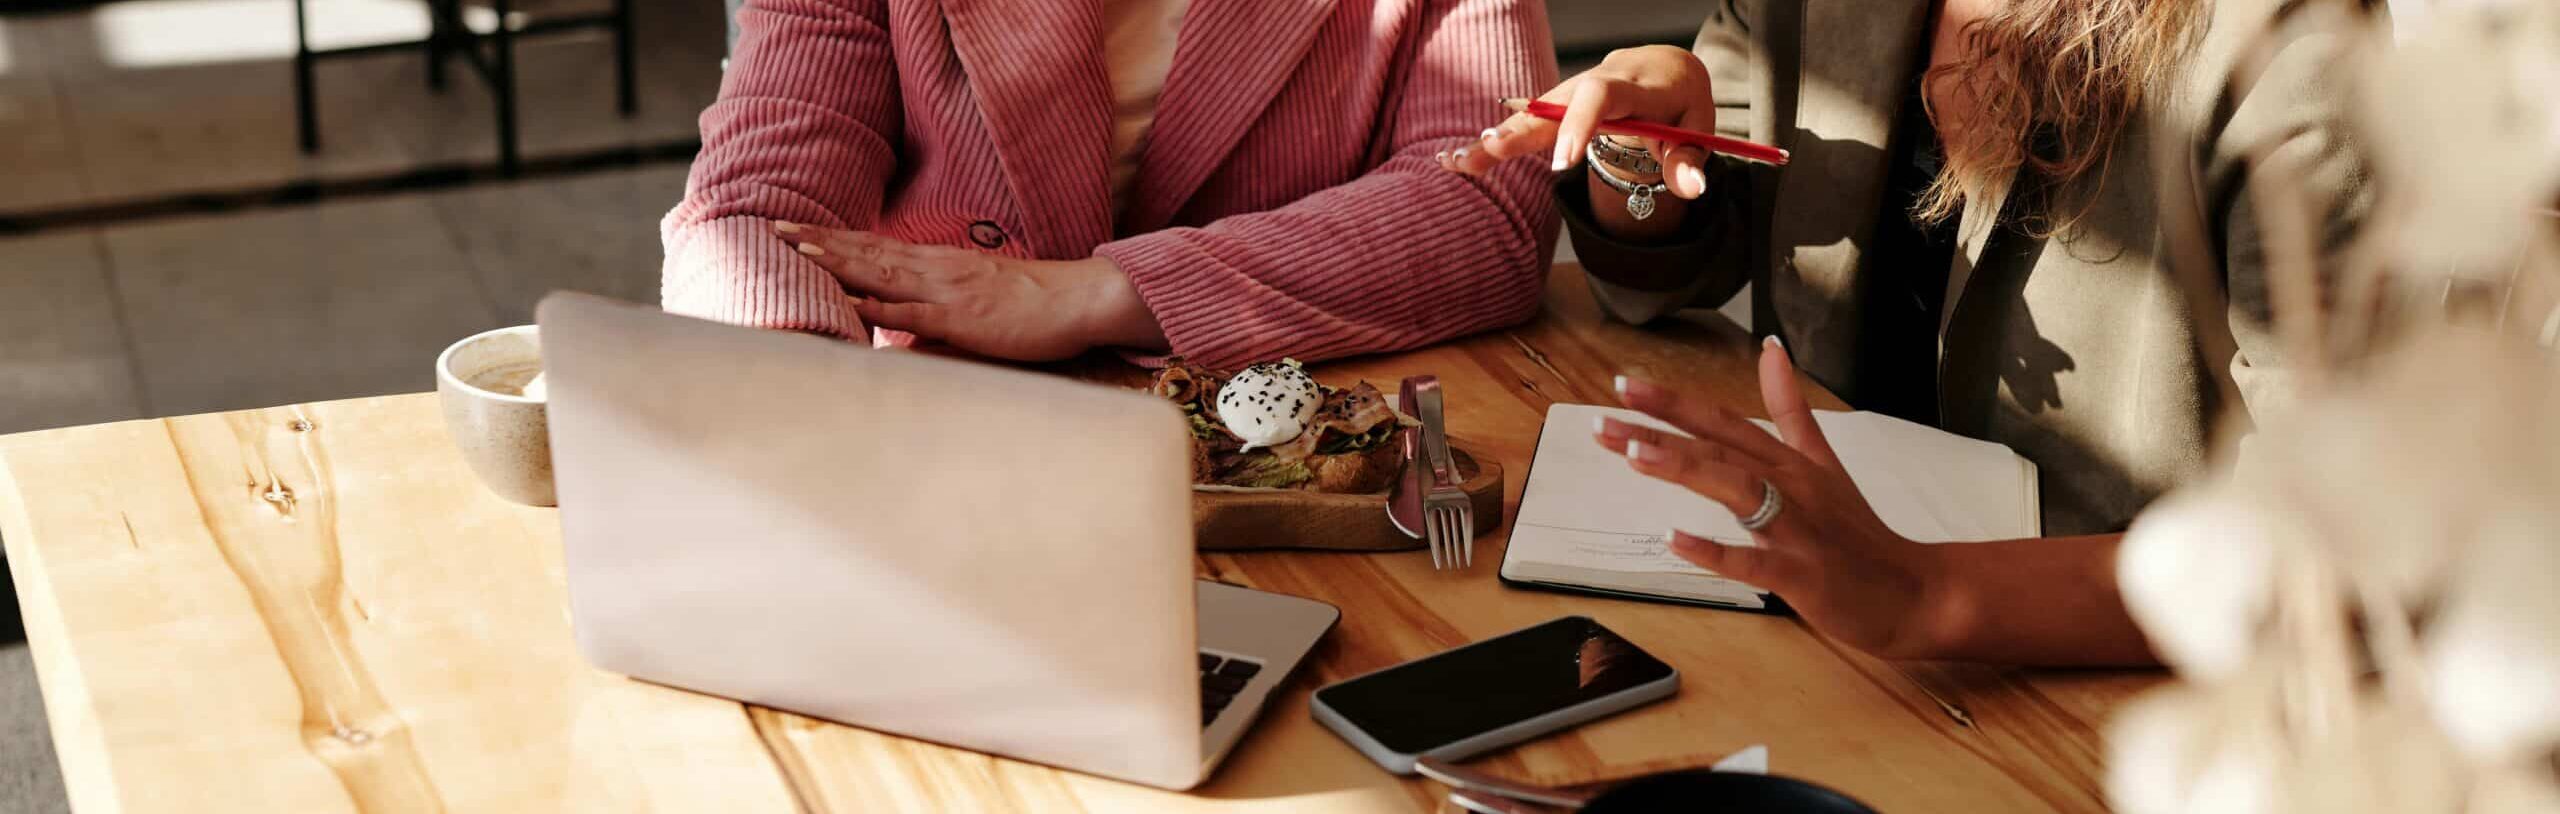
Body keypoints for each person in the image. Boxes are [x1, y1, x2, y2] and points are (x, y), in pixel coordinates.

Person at [1448, 0, 2366, 665]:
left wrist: (1923, 594)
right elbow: (1691, 240)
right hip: (1815, 635)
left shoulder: (2291, 51)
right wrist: (1631, 152)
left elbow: (2339, 551)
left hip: (2095, 697)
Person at [664, 0, 1561, 367]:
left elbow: (1488, 208)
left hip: (1296, 440)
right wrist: (795, 413)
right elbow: (752, 213)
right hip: (943, 421)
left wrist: (1104, 293)